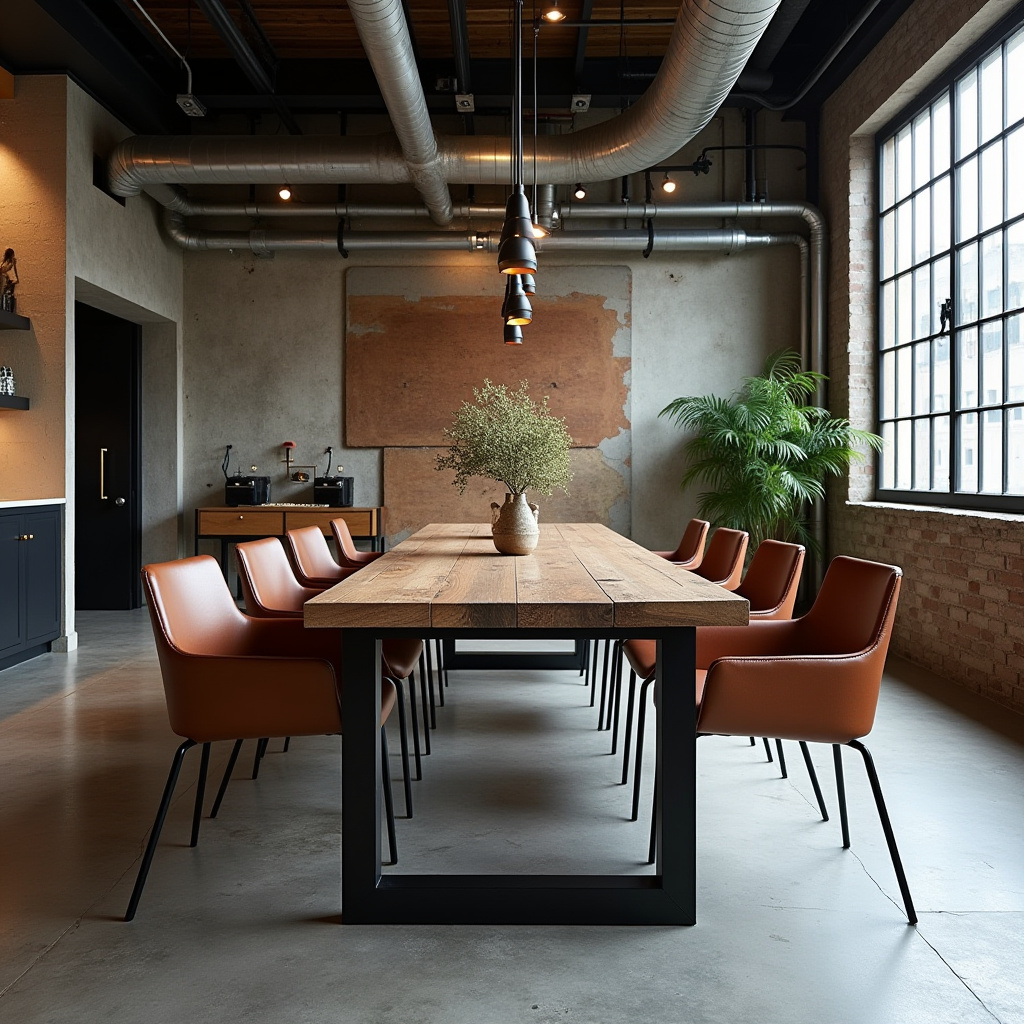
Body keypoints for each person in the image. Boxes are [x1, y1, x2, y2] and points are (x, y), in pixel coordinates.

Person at [1, 248, 18, 312]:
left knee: (6, 295)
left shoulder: (8, 263)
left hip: (6, 281)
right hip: (4, 280)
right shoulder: (3, 263)